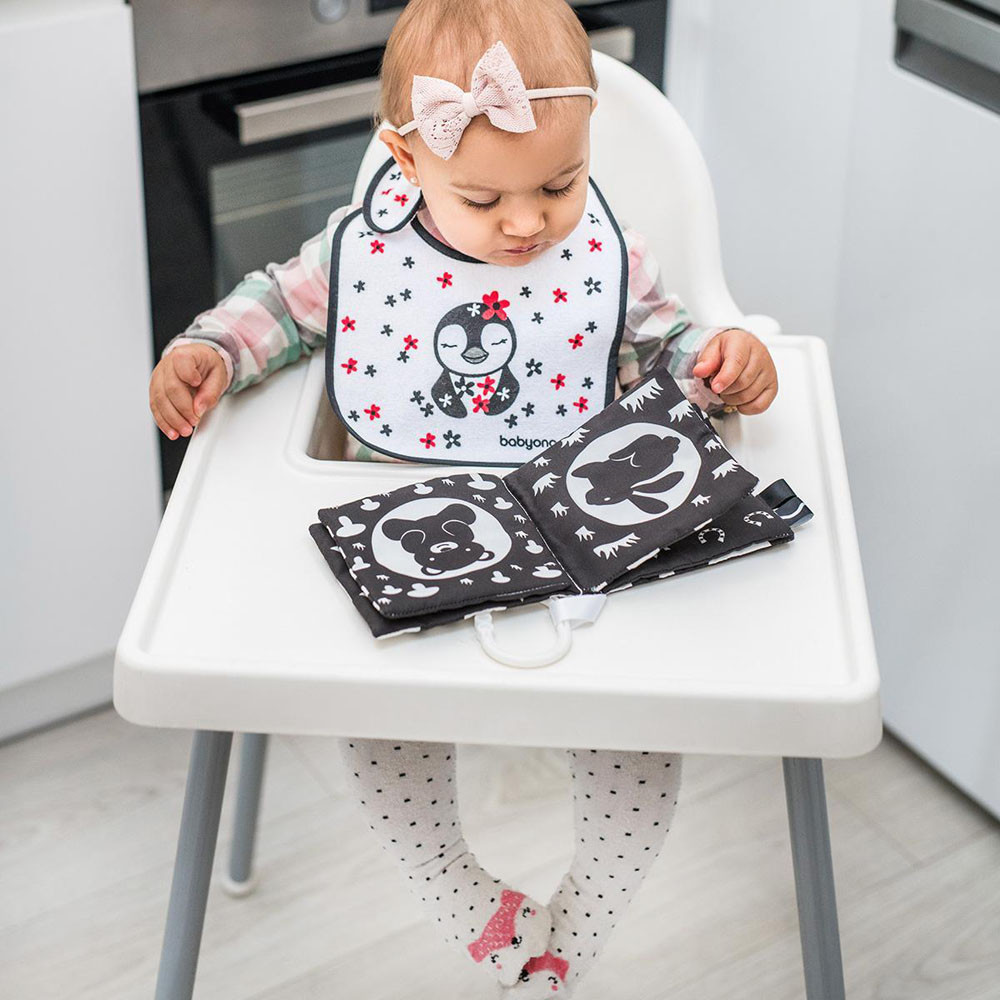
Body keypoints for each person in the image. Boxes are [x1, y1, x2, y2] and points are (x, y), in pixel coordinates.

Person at [147, 2, 778, 994]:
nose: (527, 223)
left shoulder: (611, 261)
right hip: (413, 547)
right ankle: (461, 893)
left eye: (560, 184)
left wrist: (725, 365)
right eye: (483, 198)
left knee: (644, 735)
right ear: (407, 160)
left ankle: (578, 927)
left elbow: (673, 357)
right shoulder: (362, 254)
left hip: (578, 546)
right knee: (380, 731)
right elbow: (278, 309)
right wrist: (212, 349)